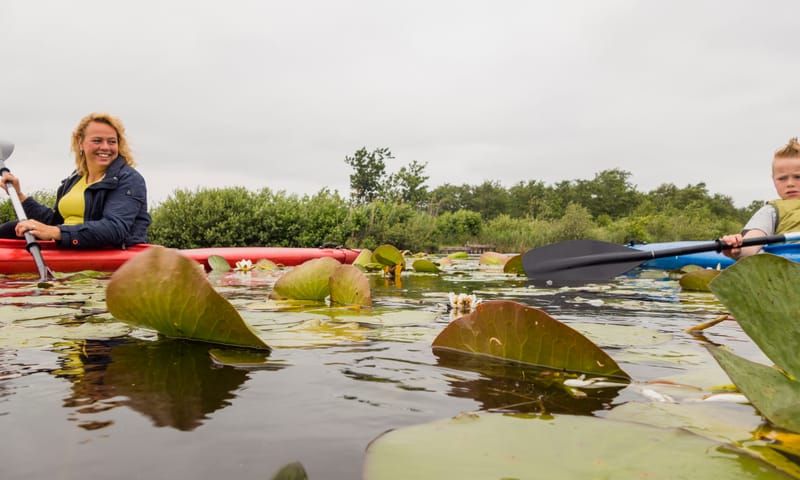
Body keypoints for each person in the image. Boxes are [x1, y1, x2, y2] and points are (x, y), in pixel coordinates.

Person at [0, 112, 151, 249]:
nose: (105, 147)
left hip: (107, 254)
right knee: (9, 229)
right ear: (80, 142)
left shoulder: (129, 179)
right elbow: (54, 221)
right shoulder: (75, 178)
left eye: (112, 141)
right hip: (67, 249)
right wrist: (19, 195)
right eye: (97, 140)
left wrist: (55, 232)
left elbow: (114, 229)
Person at [721, 137, 800, 260]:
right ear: (774, 180)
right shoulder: (771, 211)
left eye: (798, 177)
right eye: (782, 178)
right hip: (788, 269)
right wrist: (737, 248)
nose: (790, 183)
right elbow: (752, 242)